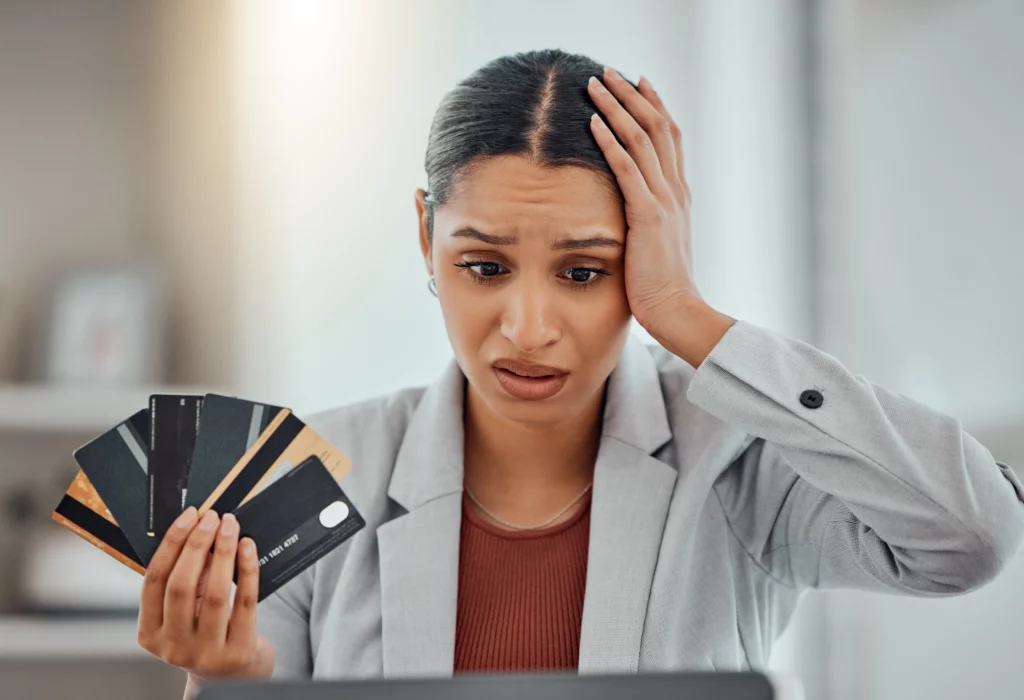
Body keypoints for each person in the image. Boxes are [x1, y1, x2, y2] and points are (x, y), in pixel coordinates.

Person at [134, 49, 1024, 697]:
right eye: (484, 267)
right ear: (425, 239)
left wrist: (690, 317)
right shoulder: (315, 471)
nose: (527, 330)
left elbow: (971, 537)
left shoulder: (740, 458)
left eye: (585, 272)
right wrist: (235, 681)